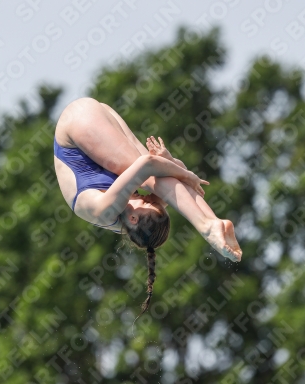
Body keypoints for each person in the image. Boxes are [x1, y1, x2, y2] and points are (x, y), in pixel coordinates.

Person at [54, 97, 242, 314]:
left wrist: (184, 173)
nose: (147, 198)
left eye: (147, 202)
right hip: (98, 119)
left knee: (151, 177)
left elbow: (148, 165)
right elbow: (173, 187)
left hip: (77, 122)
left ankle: (207, 227)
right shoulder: (131, 213)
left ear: (134, 218)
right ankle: (213, 222)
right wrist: (171, 162)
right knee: (159, 177)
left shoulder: (105, 211)